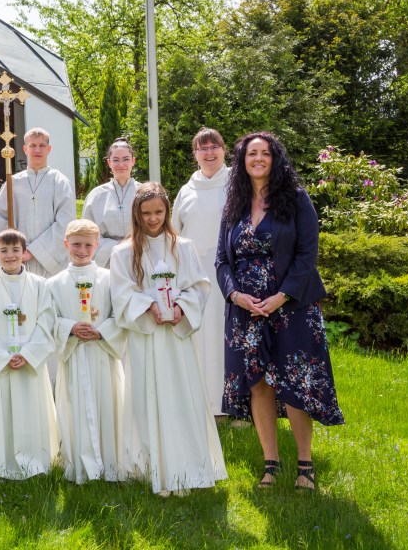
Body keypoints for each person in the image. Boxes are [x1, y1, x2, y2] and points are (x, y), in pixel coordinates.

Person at [216, 131, 343, 491]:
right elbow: (222, 261)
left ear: (275, 159)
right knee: (258, 384)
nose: (258, 159)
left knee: (296, 383)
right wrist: (235, 296)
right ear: (242, 161)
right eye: (251, 153)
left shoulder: (296, 200)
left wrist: (281, 296)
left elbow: (307, 255)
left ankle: (306, 466)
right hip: (246, 312)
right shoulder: (234, 203)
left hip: (292, 307)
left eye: (265, 153)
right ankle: (270, 463)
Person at [109, 182, 227, 496]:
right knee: (147, 396)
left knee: (180, 396)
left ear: (167, 211)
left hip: (175, 337)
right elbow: (121, 293)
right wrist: (148, 306)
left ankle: (188, 463)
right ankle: (150, 465)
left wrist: (179, 309)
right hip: (146, 336)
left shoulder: (182, 246)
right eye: (146, 213)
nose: (152, 219)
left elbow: (198, 287)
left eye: (158, 212)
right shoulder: (123, 252)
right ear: (136, 214)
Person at [0, 229, 59, 479]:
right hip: (3, 361)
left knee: (33, 409)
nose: (10, 255)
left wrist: (30, 354)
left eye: (15, 250)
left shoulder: (40, 285)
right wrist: (1, 356)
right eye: (4, 250)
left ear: (25, 254)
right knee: (3, 412)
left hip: (31, 362)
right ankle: (0, 460)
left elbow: (47, 321)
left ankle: (38, 459)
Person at [48, 219, 125, 484]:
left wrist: (101, 331)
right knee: (75, 407)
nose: (81, 250)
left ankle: (110, 464)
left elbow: (119, 315)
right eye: (76, 244)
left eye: (88, 245)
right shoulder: (54, 284)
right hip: (74, 356)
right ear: (65, 243)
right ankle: (78, 463)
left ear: (97, 245)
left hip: (101, 355)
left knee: (108, 405)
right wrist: (69, 327)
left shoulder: (109, 279)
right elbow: (49, 319)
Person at [173, 128, 231, 417]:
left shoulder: (237, 184)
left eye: (214, 147)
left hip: (230, 274)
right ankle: (200, 403)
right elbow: (175, 234)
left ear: (224, 149)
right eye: (202, 148)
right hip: (194, 274)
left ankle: (232, 404)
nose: (209, 153)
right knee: (198, 335)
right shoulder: (186, 190)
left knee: (226, 337)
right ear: (195, 154)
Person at [0, 127, 76, 279]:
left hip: (51, 264)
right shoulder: (12, 183)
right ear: (25, 149)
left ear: (49, 149)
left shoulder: (60, 182)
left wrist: (34, 250)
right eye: (32, 145)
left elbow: (66, 222)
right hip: (18, 259)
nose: (37, 150)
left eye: (42, 145)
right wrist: (15, 249)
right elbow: (1, 220)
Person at [82, 138, 140, 267]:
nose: (121, 164)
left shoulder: (143, 192)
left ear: (133, 161)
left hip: (139, 255)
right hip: (107, 259)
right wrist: (116, 246)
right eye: (116, 160)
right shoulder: (96, 195)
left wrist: (134, 244)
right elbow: (87, 232)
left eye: (125, 159)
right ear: (109, 162)